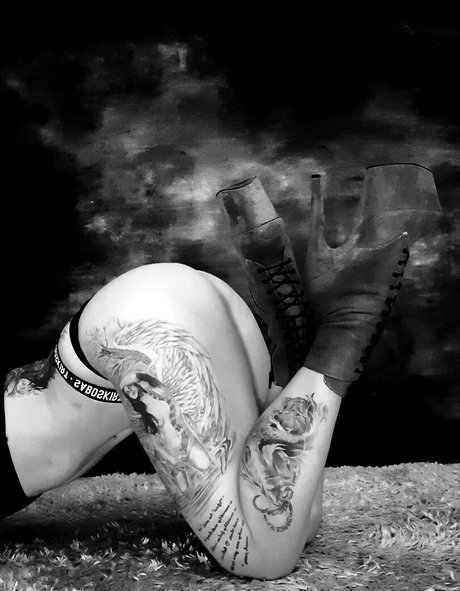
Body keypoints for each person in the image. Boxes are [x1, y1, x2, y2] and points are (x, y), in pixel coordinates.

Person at [2, 163, 440, 579]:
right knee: (298, 524)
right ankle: (290, 327)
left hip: (139, 330)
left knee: (258, 554)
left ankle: (349, 320)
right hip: (184, 305)